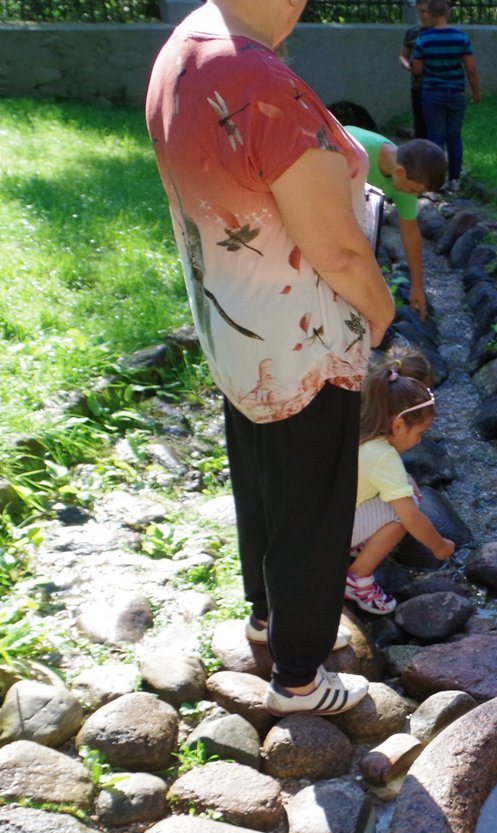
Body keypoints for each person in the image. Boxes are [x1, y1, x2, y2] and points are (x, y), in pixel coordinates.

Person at [146, 0, 397, 716]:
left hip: (236, 326)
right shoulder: (256, 79)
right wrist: (382, 311)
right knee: (314, 508)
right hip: (300, 342)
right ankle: (299, 678)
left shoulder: (186, 46)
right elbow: (340, 250)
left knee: (261, 481)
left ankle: (265, 615)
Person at [345, 359, 455, 615]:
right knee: (405, 508)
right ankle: (357, 579)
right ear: (398, 424)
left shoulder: (360, 428)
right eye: (419, 432)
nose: (419, 441)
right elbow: (411, 517)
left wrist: (405, 478)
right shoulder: (384, 456)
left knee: (401, 494)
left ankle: (353, 546)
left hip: (314, 524)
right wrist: (439, 546)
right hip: (328, 535)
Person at [343, 127, 445, 319]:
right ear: (400, 172)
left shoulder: (406, 177)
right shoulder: (356, 150)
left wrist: (417, 285)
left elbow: (410, 233)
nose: (413, 196)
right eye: (414, 190)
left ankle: (357, 325)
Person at [410, 0, 479, 189]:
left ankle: (436, 180)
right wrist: (476, 92)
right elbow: (471, 69)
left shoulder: (423, 40)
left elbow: (417, 69)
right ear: (447, 13)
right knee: (454, 136)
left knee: (435, 136)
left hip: (432, 92)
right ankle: (455, 179)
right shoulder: (461, 38)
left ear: (430, 15)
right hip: (456, 92)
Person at [399, 0, 431, 141]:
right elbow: (403, 56)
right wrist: (408, 66)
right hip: (418, 84)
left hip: (436, 84)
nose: (423, 15)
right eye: (421, 11)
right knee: (420, 121)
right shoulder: (413, 32)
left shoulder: (440, 30)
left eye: (426, 11)